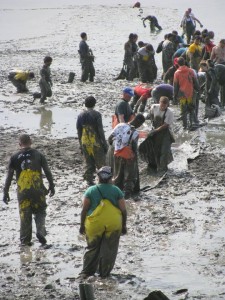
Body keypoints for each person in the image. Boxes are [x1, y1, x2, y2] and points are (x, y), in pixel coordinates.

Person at [2, 134, 55, 247]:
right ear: (31, 142)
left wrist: (5, 192)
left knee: (25, 215)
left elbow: (9, 176)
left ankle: (25, 241)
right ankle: (40, 231)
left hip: (23, 192)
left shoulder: (14, 156)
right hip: (38, 190)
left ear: (20, 144)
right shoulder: (39, 154)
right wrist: (51, 185)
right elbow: (47, 171)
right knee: (41, 210)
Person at [79, 166, 127, 278]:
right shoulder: (116, 190)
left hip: (94, 224)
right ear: (111, 178)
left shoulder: (91, 190)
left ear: (98, 177)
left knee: (92, 248)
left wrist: (82, 225)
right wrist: (124, 225)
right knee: (109, 249)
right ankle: (104, 274)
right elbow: (123, 210)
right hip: (113, 224)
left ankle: (86, 272)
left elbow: (84, 209)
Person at [108, 114, 145, 199]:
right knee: (129, 176)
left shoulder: (119, 125)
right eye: (140, 124)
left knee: (117, 175)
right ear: (138, 122)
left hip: (117, 154)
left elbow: (110, 139)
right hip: (128, 156)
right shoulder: (135, 133)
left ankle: (116, 193)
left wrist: (117, 146)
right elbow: (134, 147)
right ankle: (127, 195)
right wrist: (135, 157)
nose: (139, 126)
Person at [77, 96, 108, 186]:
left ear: (85, 104)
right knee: (101, 162)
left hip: (85, 141)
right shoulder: (97, 114)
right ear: (94, 104)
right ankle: (104, 180)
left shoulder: (80, 115)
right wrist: (104, 143)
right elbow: (100, 130)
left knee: (88, 162)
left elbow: (79, 130)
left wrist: (80, 143)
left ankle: (89, 180)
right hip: (95, 141)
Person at [139, 96, 174, 174]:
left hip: (166, 134)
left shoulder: (169, 113)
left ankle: (163, 169)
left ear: (167, 105)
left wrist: (155, 130)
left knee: (164, 151)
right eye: (161, 105)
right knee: (156, 150)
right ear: (159, 102)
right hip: (155, 133)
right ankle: (155, 165)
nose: (162, 107)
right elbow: (151, 118)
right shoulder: (154, 107)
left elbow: (166, 125)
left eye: (165, 106)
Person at [173, 57, 200, 129]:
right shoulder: (190, 71)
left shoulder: (176, 73)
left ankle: (185, 125)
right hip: (190, 93)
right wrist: (198, 90)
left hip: (182, 94)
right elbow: (195, 82)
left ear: (178, 64)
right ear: (184, 62)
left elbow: (175, 86)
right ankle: (191, 123)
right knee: (191, 108)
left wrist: (174, 96)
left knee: (183, 110)